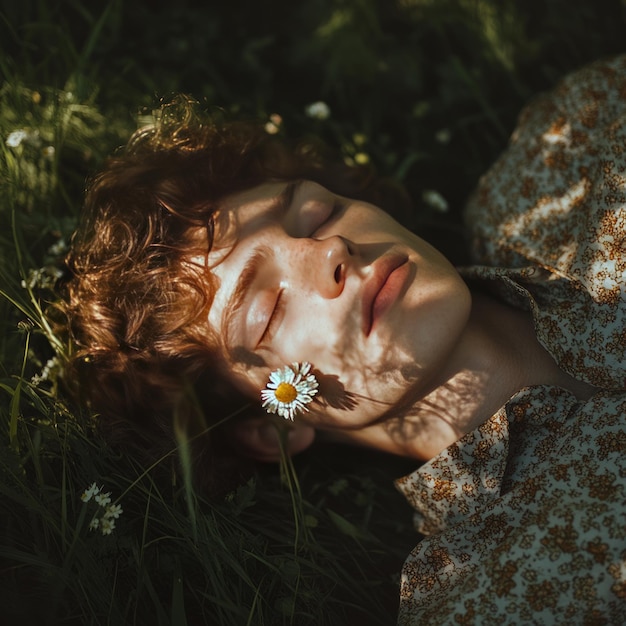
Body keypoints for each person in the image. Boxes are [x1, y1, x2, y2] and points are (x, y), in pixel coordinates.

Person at [64, 54, 626, 624]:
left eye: (317, 214)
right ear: (271, 427)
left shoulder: (567, 152)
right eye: (268, 310)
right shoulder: (499, 597)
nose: (330, 251)